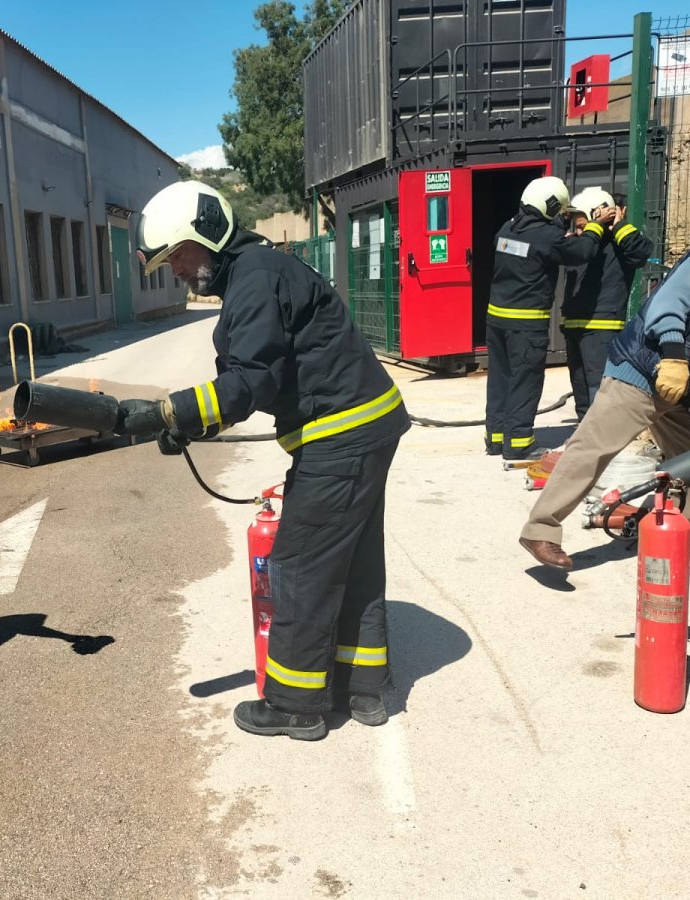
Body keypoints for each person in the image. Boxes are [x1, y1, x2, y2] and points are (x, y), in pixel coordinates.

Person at [114, 180, 411, 741]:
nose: (176, 271)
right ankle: (364, 689)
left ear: (206, 235)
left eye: (177, 256)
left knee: (300, 565)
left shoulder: (254, 278)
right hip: (365, 426)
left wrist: (168, 412)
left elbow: (249, 382)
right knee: (353, 560)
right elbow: (252, 379)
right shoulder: (258, 273)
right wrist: (191, 422)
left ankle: (296, 705)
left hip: (340, 437)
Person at [519, 221, 690, 575]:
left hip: (682, 387)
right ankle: (540, 529)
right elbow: (668, 304)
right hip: (644, 371)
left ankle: (681, 541)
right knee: (594, 447)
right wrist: (673, 356)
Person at [484, 176, 613, 459]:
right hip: (526, 325)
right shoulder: (547, 237)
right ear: (551, 205)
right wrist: (595, 225)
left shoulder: (507, 229)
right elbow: (582, 252)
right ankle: (519, 444)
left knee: (500, 379)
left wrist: (558, 227)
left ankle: (496, 439)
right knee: (525, 382)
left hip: (496, 321)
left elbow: (534, 247)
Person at [560, 187, 654, 420]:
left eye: (583, 226)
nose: (579, 231)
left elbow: (641, 252)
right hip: (574, 325)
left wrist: (619, 226)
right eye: (577, 227)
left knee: (598, 388)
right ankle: (584, 431)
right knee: (580, 387)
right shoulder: (582, 244)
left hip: (601, 327)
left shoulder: (618, 243)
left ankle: (600, 434)